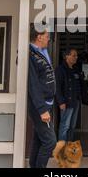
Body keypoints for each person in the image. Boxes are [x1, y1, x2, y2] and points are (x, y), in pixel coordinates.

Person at [28, 24, 56, 168]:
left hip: (47, 104)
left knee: (39, 139)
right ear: (39, 37)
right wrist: (42, 109)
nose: (49, 39)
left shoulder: (42, 51)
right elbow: (33, 84)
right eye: (46, 36)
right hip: (40, 106)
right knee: (50, 141)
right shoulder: (30, 54)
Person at [56, 49, 88, 141]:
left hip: (76, 101)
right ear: (67, 56)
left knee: (72, 126)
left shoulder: (76, 69)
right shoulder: (60, 69)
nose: (76, 57)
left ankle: (69, 148)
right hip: (66, 102)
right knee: (65, 126)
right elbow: (57, 87)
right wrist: (61, 101)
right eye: (74, 55)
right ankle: (61, 150)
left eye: (76, 55)